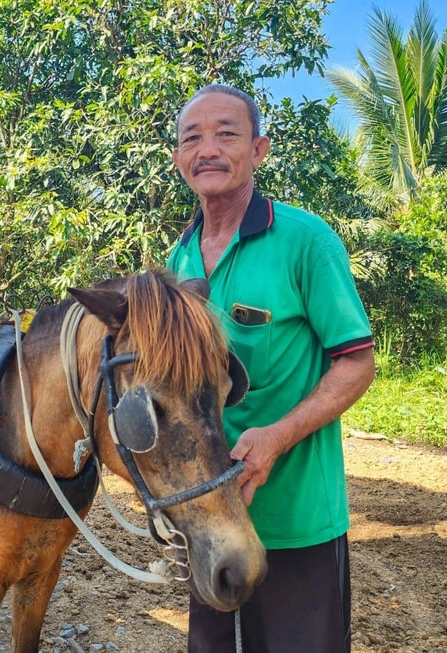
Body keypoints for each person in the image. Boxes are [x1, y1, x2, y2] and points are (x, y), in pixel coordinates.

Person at [166, 83, 376, 652]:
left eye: (226, 134)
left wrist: (277, 437)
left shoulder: (306, 241)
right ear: (179, 157)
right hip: (211, 517)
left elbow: (357, 364)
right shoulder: (178, 258)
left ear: (258, 150)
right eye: (192, 138)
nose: (207, 148)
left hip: (295, 520)